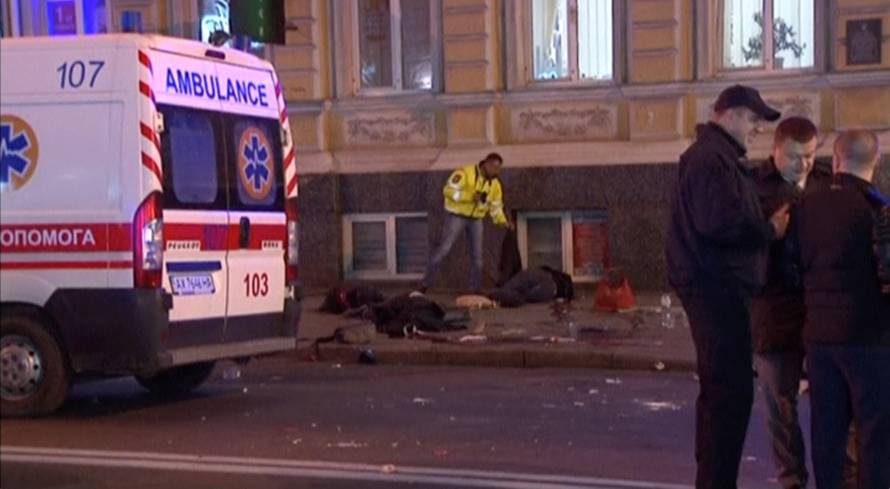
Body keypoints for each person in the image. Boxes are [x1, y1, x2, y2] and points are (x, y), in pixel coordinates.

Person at [666, 84, 788, 489]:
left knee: (723, 395)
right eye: (753, 121)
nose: (755, 130)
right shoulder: (709, 159)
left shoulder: (717, 157)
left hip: (717, 288)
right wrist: (768, 228)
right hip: (717, 291)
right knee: (729, 396)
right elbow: (719, 221)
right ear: (732, 114)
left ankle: (715, 479)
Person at [795, 129, 890, 489]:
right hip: (870, 338)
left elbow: (793, 266)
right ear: (875, 160)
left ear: (836, 160)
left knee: (827, 432)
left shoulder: (807, 207)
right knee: (874, 435)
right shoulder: (878, 208)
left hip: (819, 338)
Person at [750, 116, 829, 489]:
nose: (804, 165)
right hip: (774, 312)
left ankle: (838, 476)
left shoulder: (825, 185)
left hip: (820, 311)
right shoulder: (754, 190)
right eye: (796, 156)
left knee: (832, 403)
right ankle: (792, 480)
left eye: (811, 155)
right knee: (780, 408)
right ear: (775, 151)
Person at [419, 153, 513, 294]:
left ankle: (475, 289)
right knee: (444, 249)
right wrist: (469, 197)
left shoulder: (495, 185)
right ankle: (425, 284)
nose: (496, 171)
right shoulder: (465, 173)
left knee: (477, 258)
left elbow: (495, 207)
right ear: (486, 164)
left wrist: (503, 222)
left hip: (476, 219)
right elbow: (448, 191)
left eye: (499, 168)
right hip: (457, 216)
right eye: (494, 168)